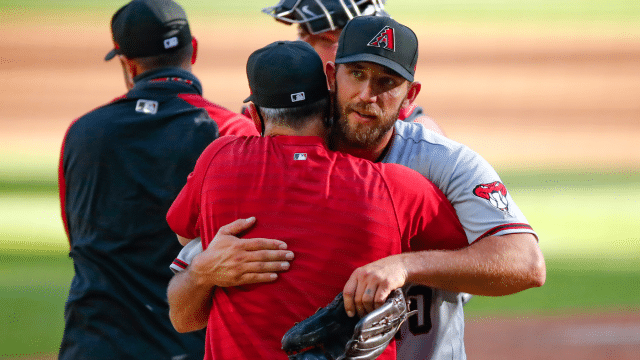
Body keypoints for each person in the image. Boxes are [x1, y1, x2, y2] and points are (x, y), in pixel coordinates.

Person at [171, 15, 546, 360]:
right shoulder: (272, 164)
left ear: (409, 97)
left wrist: (404, 265)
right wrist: (202, 272)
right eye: (358, 74)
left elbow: (526, 264)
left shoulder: (444, 164)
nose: (368, 94)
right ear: (332, 76)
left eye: (387, 83)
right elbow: (185, 313)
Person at [57, 1, 256, 359]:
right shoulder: (232, 134)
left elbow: (79, 239)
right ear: (192, 49)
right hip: (189, 344)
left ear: (127, 64)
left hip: (93, 343)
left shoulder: (82, 132)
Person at [261, 0, 446, 136]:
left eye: (326, 39)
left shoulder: (417, 131)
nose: (301, 47)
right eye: (302, 33)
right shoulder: (273, 112)